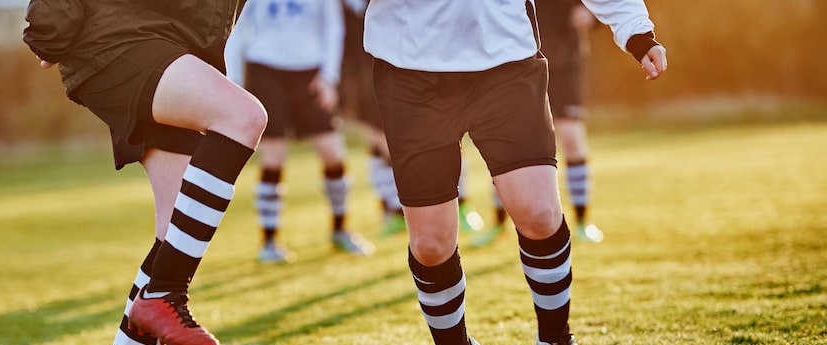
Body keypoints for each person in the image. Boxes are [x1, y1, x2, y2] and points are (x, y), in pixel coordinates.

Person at [363, 0, 667, 345]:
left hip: (505, 61)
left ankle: (557, 341)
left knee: (540, 214)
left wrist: (635, 30)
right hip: (410, 71)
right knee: (431, 245)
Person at [24, 0, 268, 345]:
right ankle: (163, 294)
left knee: (176, 229)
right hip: (118, 39)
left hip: (171, 45)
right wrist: (50, 25)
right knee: (242, 116)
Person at [225, 0, 373, 263]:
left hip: (310, 72)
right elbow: (237, 26)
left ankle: (340, 229)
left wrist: (329, 77)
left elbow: (333, 27)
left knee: (333, 154)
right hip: (265, 70)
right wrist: (234, 79)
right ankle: (269, 242)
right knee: (274, 158)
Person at [339, 0, 484, 239]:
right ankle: (392, 211)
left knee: (444, 130)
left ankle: (463, 203)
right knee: (377, 136)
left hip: (410, 50)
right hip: (361, 57)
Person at [473, 0, 604, 247]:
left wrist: (591, 15)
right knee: (506, 145)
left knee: (572, 139)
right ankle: (498, 223)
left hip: (565, 66)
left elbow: (603, 5)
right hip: (520, 67)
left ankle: (583, 222)